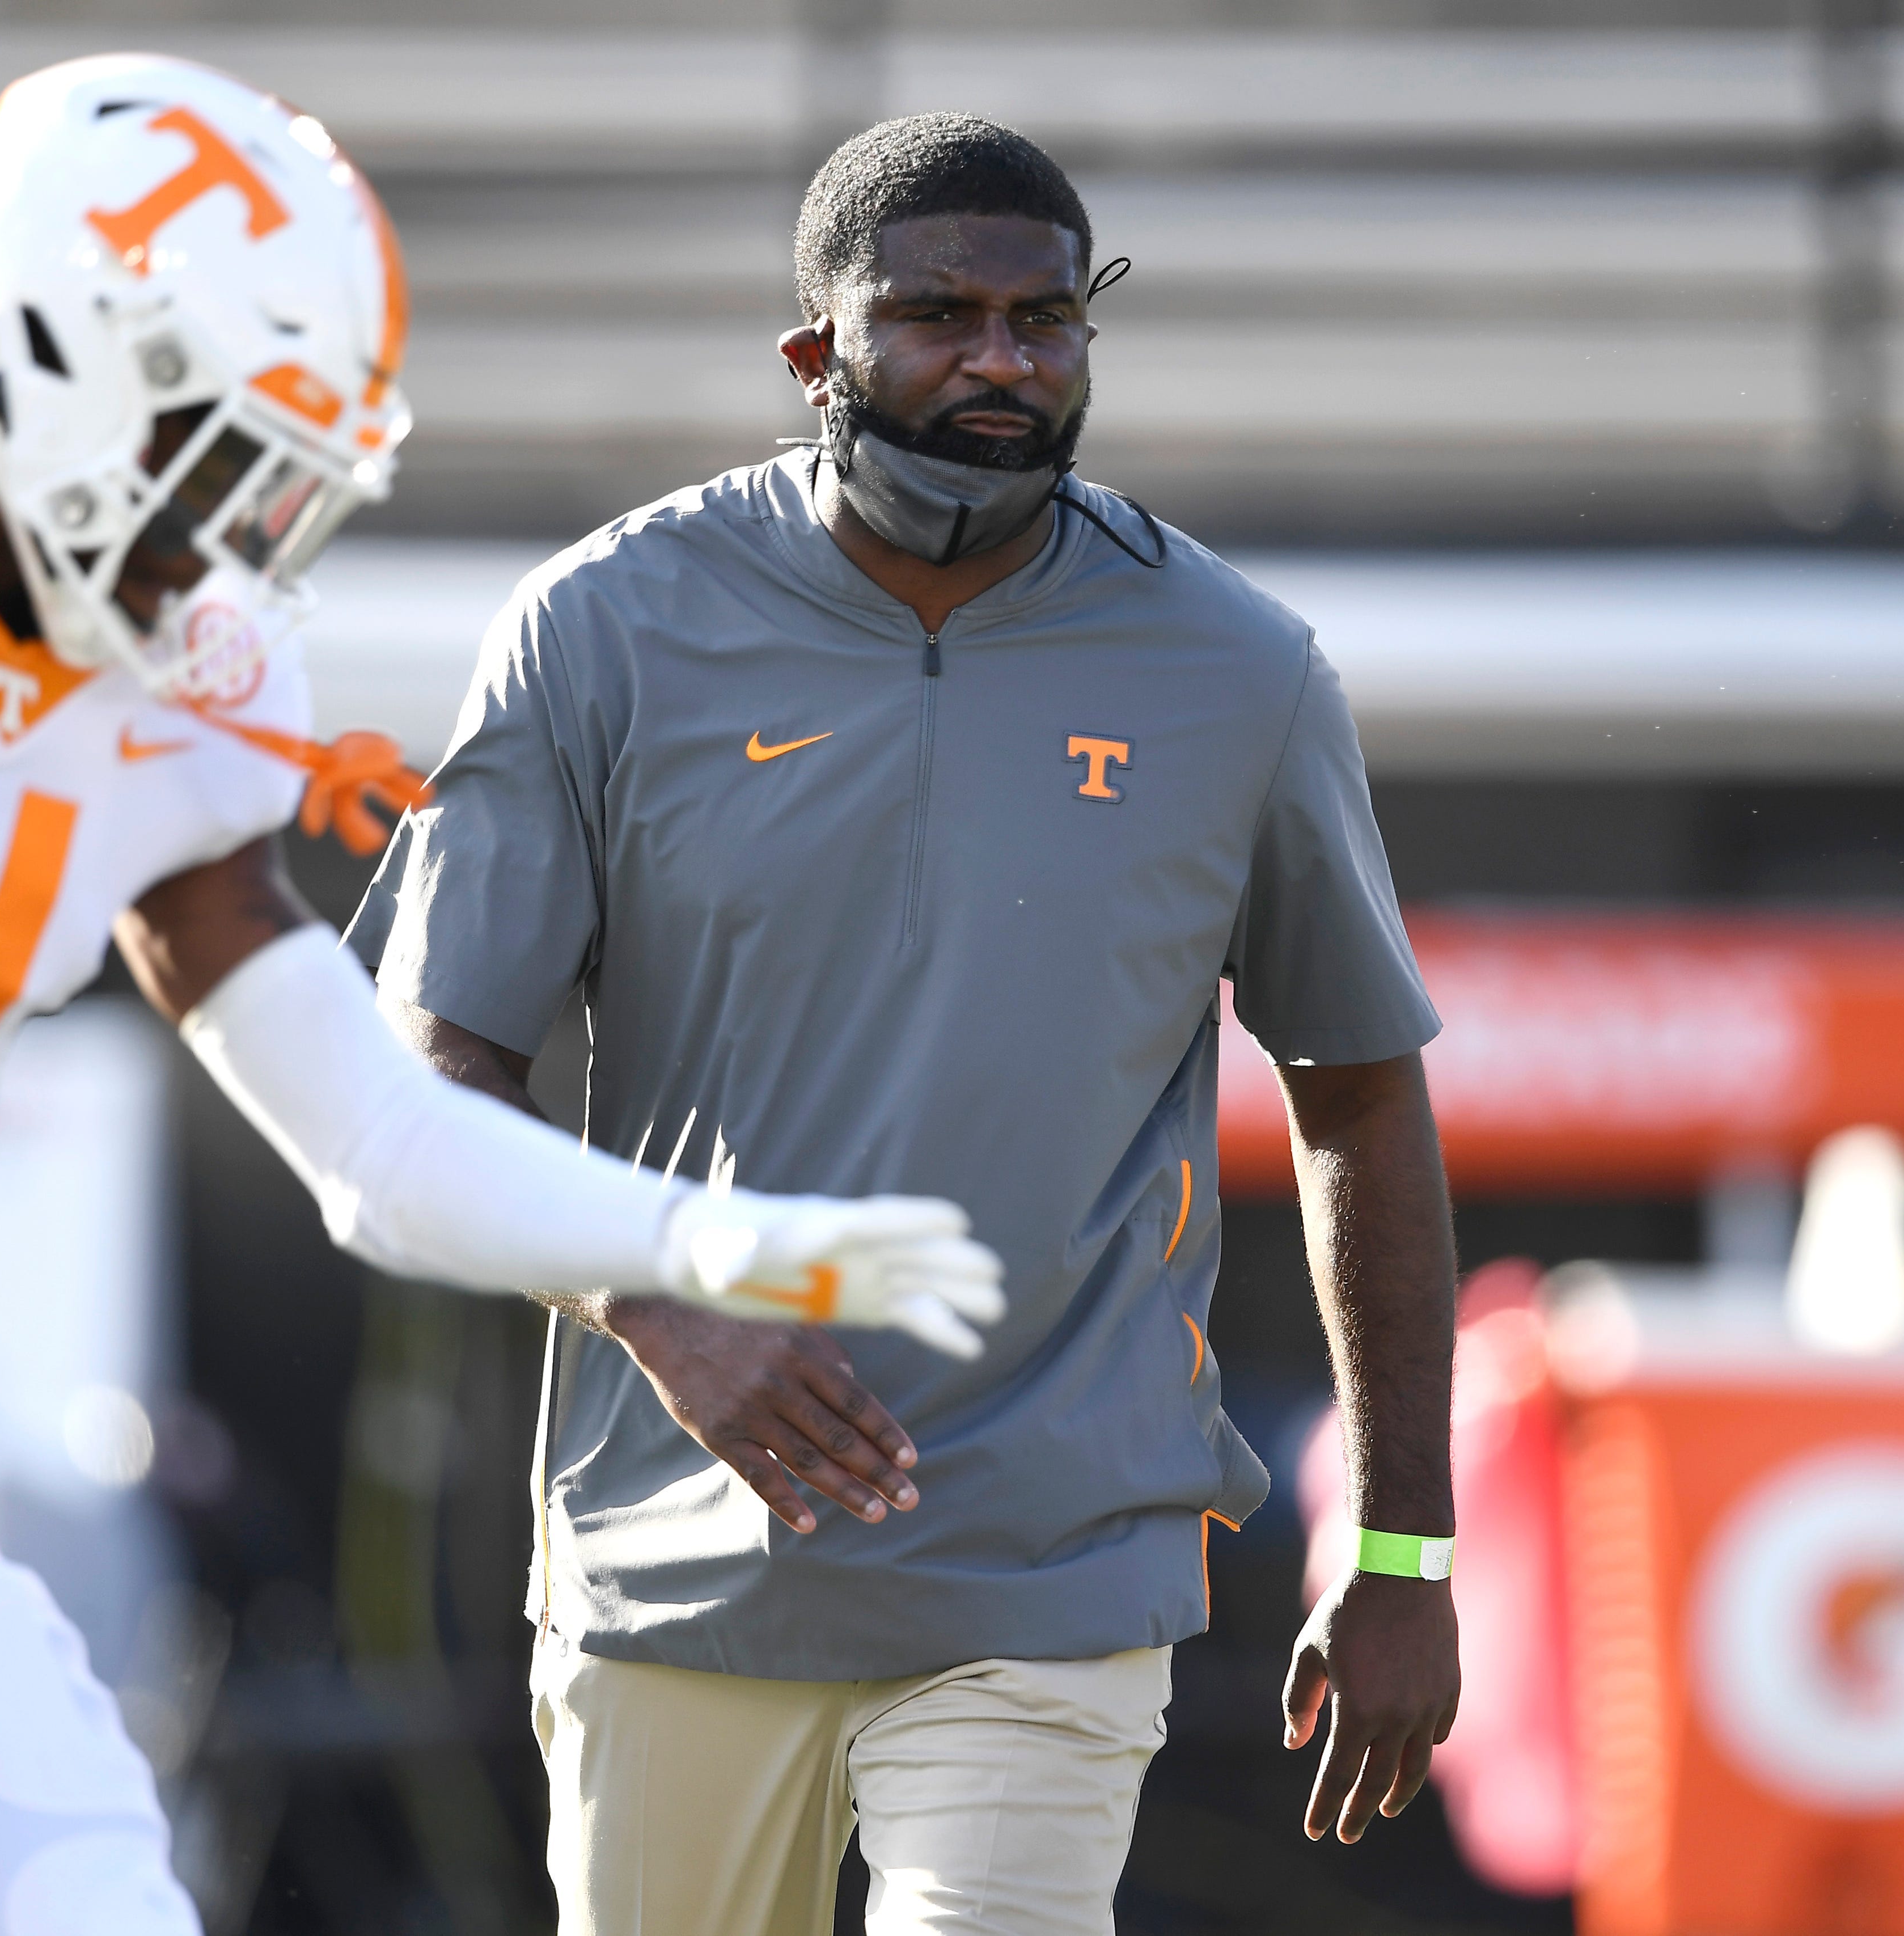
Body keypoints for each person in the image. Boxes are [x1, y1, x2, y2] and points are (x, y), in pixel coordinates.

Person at [0, 61, 1003, 1936]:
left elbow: (376, 1140)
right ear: (62, 349)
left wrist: (688, 1248)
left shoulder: (172, 698)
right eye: (223, 461)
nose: (232, 543)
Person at [349, 113, 1462, 1935]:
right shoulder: (603, 627)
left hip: (1057, 1570)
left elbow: (1358, 1099)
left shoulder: (1240, 670)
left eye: (1045, 321)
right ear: (819, 355)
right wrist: (658, 1306)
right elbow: (432, 1059)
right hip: (675, 1564)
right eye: (939, 317)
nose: (1002, 366)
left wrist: (1404, 1541)